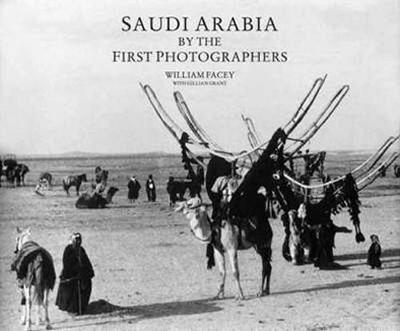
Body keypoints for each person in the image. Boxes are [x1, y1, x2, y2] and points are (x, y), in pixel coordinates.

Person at [56, 233, 94, 315]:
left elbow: (86, 261)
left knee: (86, 284)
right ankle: (72, 309)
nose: (78, 241)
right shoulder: (68, 249)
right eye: (76, 240)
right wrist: (76, 270)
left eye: (79, 240)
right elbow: (66, 263)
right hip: (70, 274)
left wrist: (88, 271)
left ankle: (81, 308)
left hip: (81, 274)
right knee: (71, 288)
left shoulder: (81, 250)